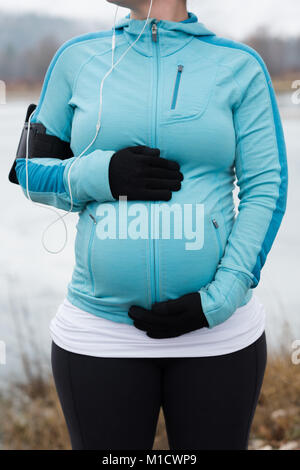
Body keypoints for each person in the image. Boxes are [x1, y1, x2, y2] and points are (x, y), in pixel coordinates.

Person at [13, 0, 288, 450]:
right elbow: (28, 171)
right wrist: (99, 174)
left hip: (216, 336)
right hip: (99, 335)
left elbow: (266, 189)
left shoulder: (240, 67)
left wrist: (218, 301)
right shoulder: (77, 59)